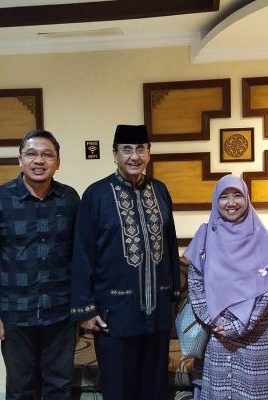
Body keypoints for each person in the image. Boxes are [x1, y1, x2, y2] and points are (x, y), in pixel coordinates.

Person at [71, 124, 181, 400]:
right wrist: (86, 309)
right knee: (119, 389)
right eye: (127, 149)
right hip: (114, 315)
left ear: (149, 153)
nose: (134, 156)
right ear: (115, 154)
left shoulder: (160, 190)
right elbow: (82, 252)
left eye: (140, 149)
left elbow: (170, 244)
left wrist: (173, 295)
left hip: (156, 314)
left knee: (154, 389)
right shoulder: (96, 194)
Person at [0, 129, 80, 399]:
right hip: (15, 312)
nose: (39, 160)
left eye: (47, 155)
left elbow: (79, 257)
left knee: (60, 384)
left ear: (58, 162)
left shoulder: (70, 198)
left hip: (60, 311)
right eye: (31, 154)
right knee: (20, 387)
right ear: (20, 159)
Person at [183, 174, 268, 400]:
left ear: (247, 198)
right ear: (216, 200)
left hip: (259, 332)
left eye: (237, 195)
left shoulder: (261, 236)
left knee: (257, 392)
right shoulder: (204, 235)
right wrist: (215, 321)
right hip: (218, 332)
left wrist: (241, 324)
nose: (231, 202)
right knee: (221, 392)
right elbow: (195, 283)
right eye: (224, 196)